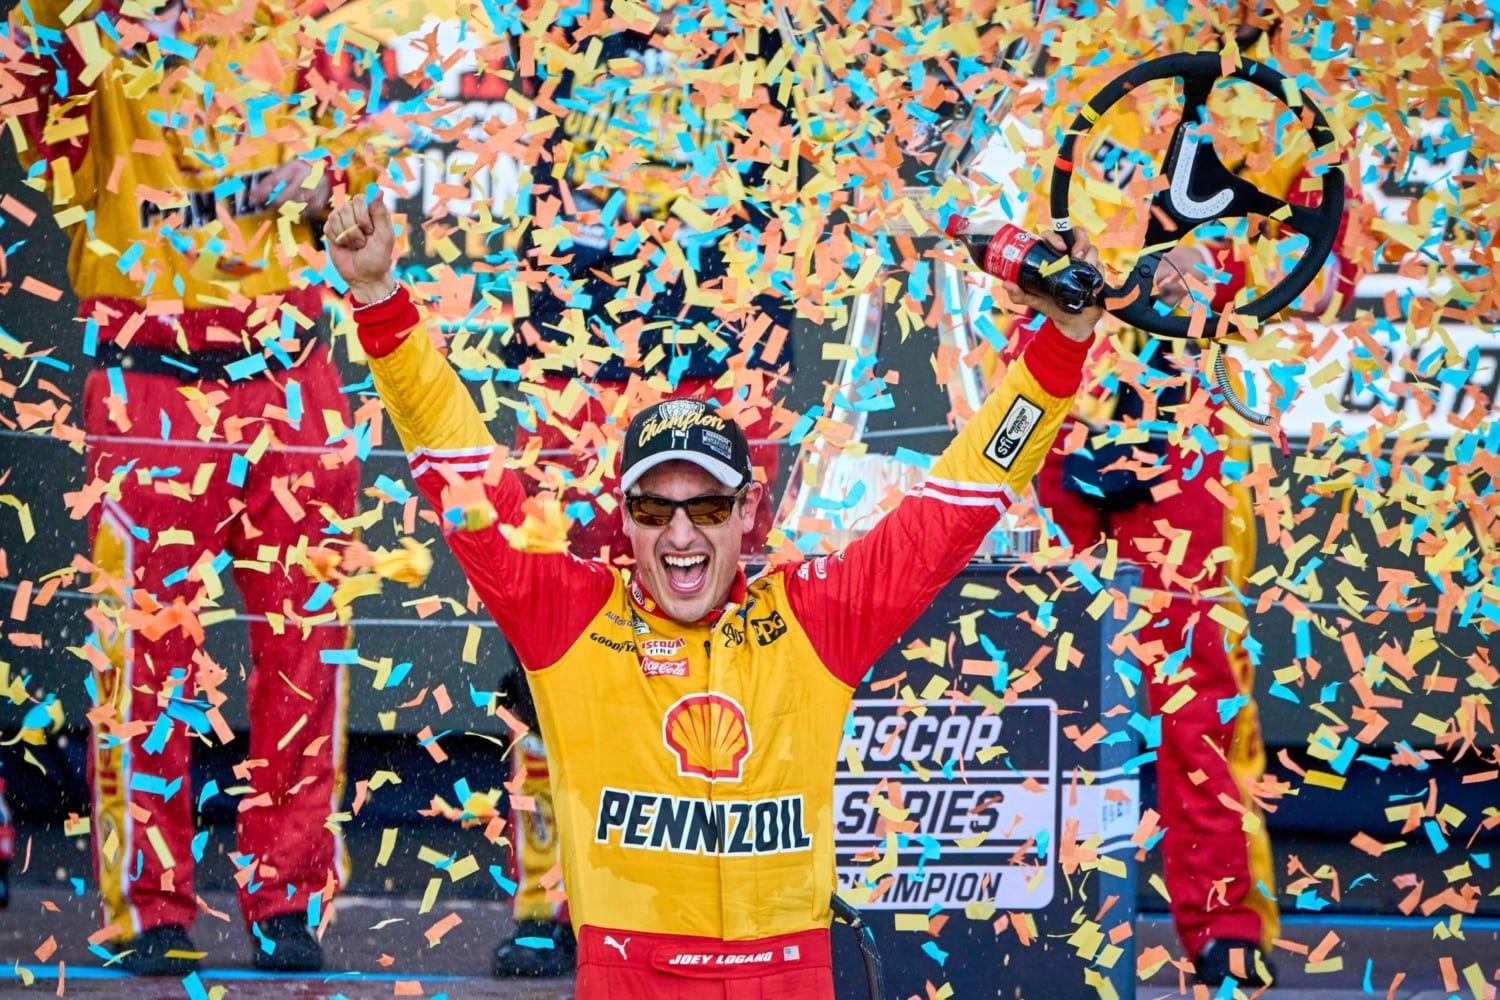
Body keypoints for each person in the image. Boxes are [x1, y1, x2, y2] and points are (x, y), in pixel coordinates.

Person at [323, 190, 1101, 997]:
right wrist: (380, 302)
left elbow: (960, 502)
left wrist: (1059, 347)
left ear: (750, 511)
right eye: (655, 509)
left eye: (710, 507)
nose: (682, 535)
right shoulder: (567, 612)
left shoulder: (814, 615)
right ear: (623, 518)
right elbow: (460, 471)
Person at [7, 0, 374, 975]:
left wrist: (314, 189)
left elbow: (349, 189)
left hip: (290, 377)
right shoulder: (80, 24)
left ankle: (287, 895)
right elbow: (25, 91)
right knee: (142, 657)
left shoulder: (306, 21)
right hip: (148, 383)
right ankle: (150, 905)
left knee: (305, 656)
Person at [1000, 2, 1363, 987]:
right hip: (1049, 410)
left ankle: (1224, 935)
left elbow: (1327, 283)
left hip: (1182, 439)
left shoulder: (1285, 107)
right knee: (1027, 674)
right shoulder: (1059, 55)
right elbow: (979, 227)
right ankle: (1016, 924)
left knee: (1196, 694)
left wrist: (1275, 247)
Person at [483, 1, 795, 973]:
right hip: (576, 368)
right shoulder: (549, 20)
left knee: (731, 642)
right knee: (554, 651)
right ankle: (549, 900)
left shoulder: (758, 23)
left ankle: (720, 889)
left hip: (720, 358)